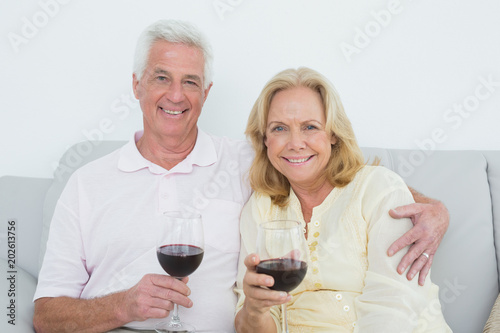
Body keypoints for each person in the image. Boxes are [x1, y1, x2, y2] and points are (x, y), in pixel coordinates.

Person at [33, 20, 448, 332]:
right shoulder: (86, 184)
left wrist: (432, 208)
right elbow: (44, 314)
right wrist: (121, 306)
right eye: (162, 77)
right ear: (137, 84)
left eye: (190, 82)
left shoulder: (243, 160)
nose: (176, 95)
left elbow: (331, 174)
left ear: (206, 93)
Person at [234, 67, 451, 332]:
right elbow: (257, 326)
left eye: (310, 127)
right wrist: (255, 311)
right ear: (264, 139)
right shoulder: (260, 208)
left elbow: (393, 307)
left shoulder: (377, 189)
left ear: (333, 134)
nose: (295, 143)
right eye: (279, 128)